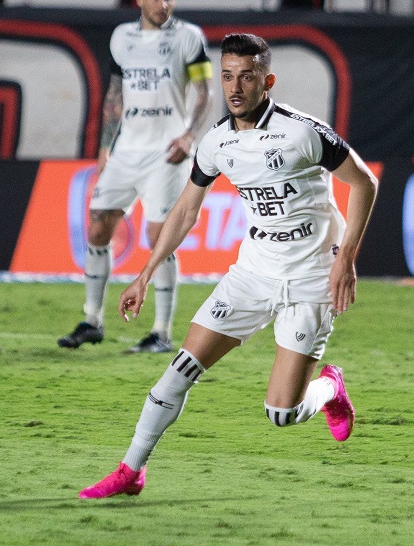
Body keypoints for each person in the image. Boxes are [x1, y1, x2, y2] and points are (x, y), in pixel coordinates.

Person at [78, 33, 379, 499]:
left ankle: (330, 389)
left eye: (247, 76)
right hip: (252, 273)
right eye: (227, 76)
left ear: (267, 80)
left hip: (311, 277)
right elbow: (184, 212)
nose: (235, 87)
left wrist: (346, 261)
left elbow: (364, 184)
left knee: (282, 413)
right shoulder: (216, 141)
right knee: (177, 372)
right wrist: (144, 273)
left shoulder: (303, 132)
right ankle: (130, 471)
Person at [58, 0, 214, 354]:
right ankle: (92, 319)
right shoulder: (121, 39)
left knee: (159, 237)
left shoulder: (188, 37)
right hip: (127, 149)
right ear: (139, 0)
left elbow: (205, 93)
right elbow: (115, 94)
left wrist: (190, 134)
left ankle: (161, 332)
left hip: (168, 152)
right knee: (98, 227)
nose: (165, 4)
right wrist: (106, 145)